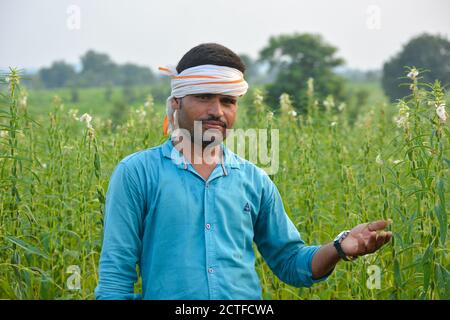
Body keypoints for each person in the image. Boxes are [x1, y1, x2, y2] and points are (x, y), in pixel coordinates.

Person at [94, 43, 392, 300]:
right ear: (176, 103)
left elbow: (289, 260)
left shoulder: (254, 179)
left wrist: (339, 247)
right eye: (204, 97)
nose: (218, 111)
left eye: (228, 101)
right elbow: (115, 275)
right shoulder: (137, 174)